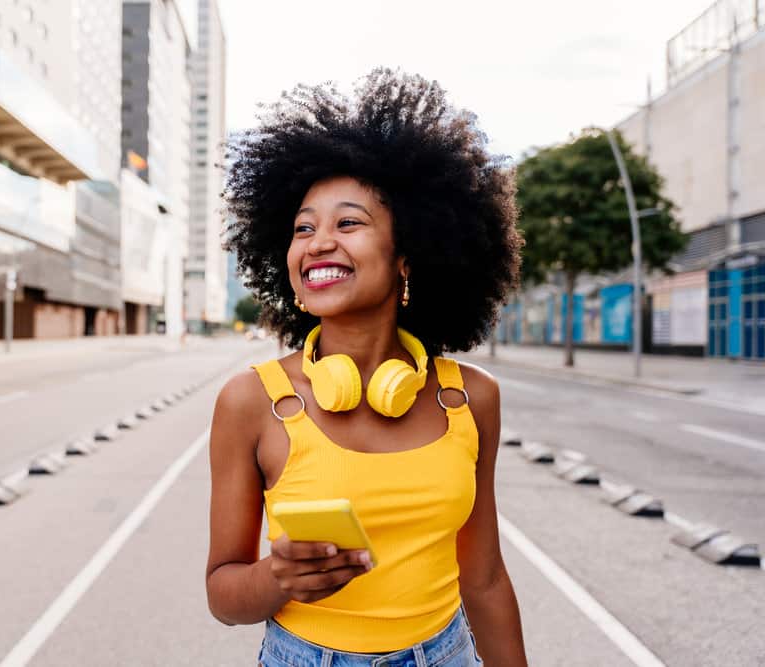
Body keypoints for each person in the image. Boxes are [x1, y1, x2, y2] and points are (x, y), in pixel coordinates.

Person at [206, 69, 527, 666]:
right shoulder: (250, 401)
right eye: (303, 228)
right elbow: (223, 595)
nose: (318, 242)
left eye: (347, 222)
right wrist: (279, 578)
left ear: (406, 256)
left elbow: (482, 580)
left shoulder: (471, 398)